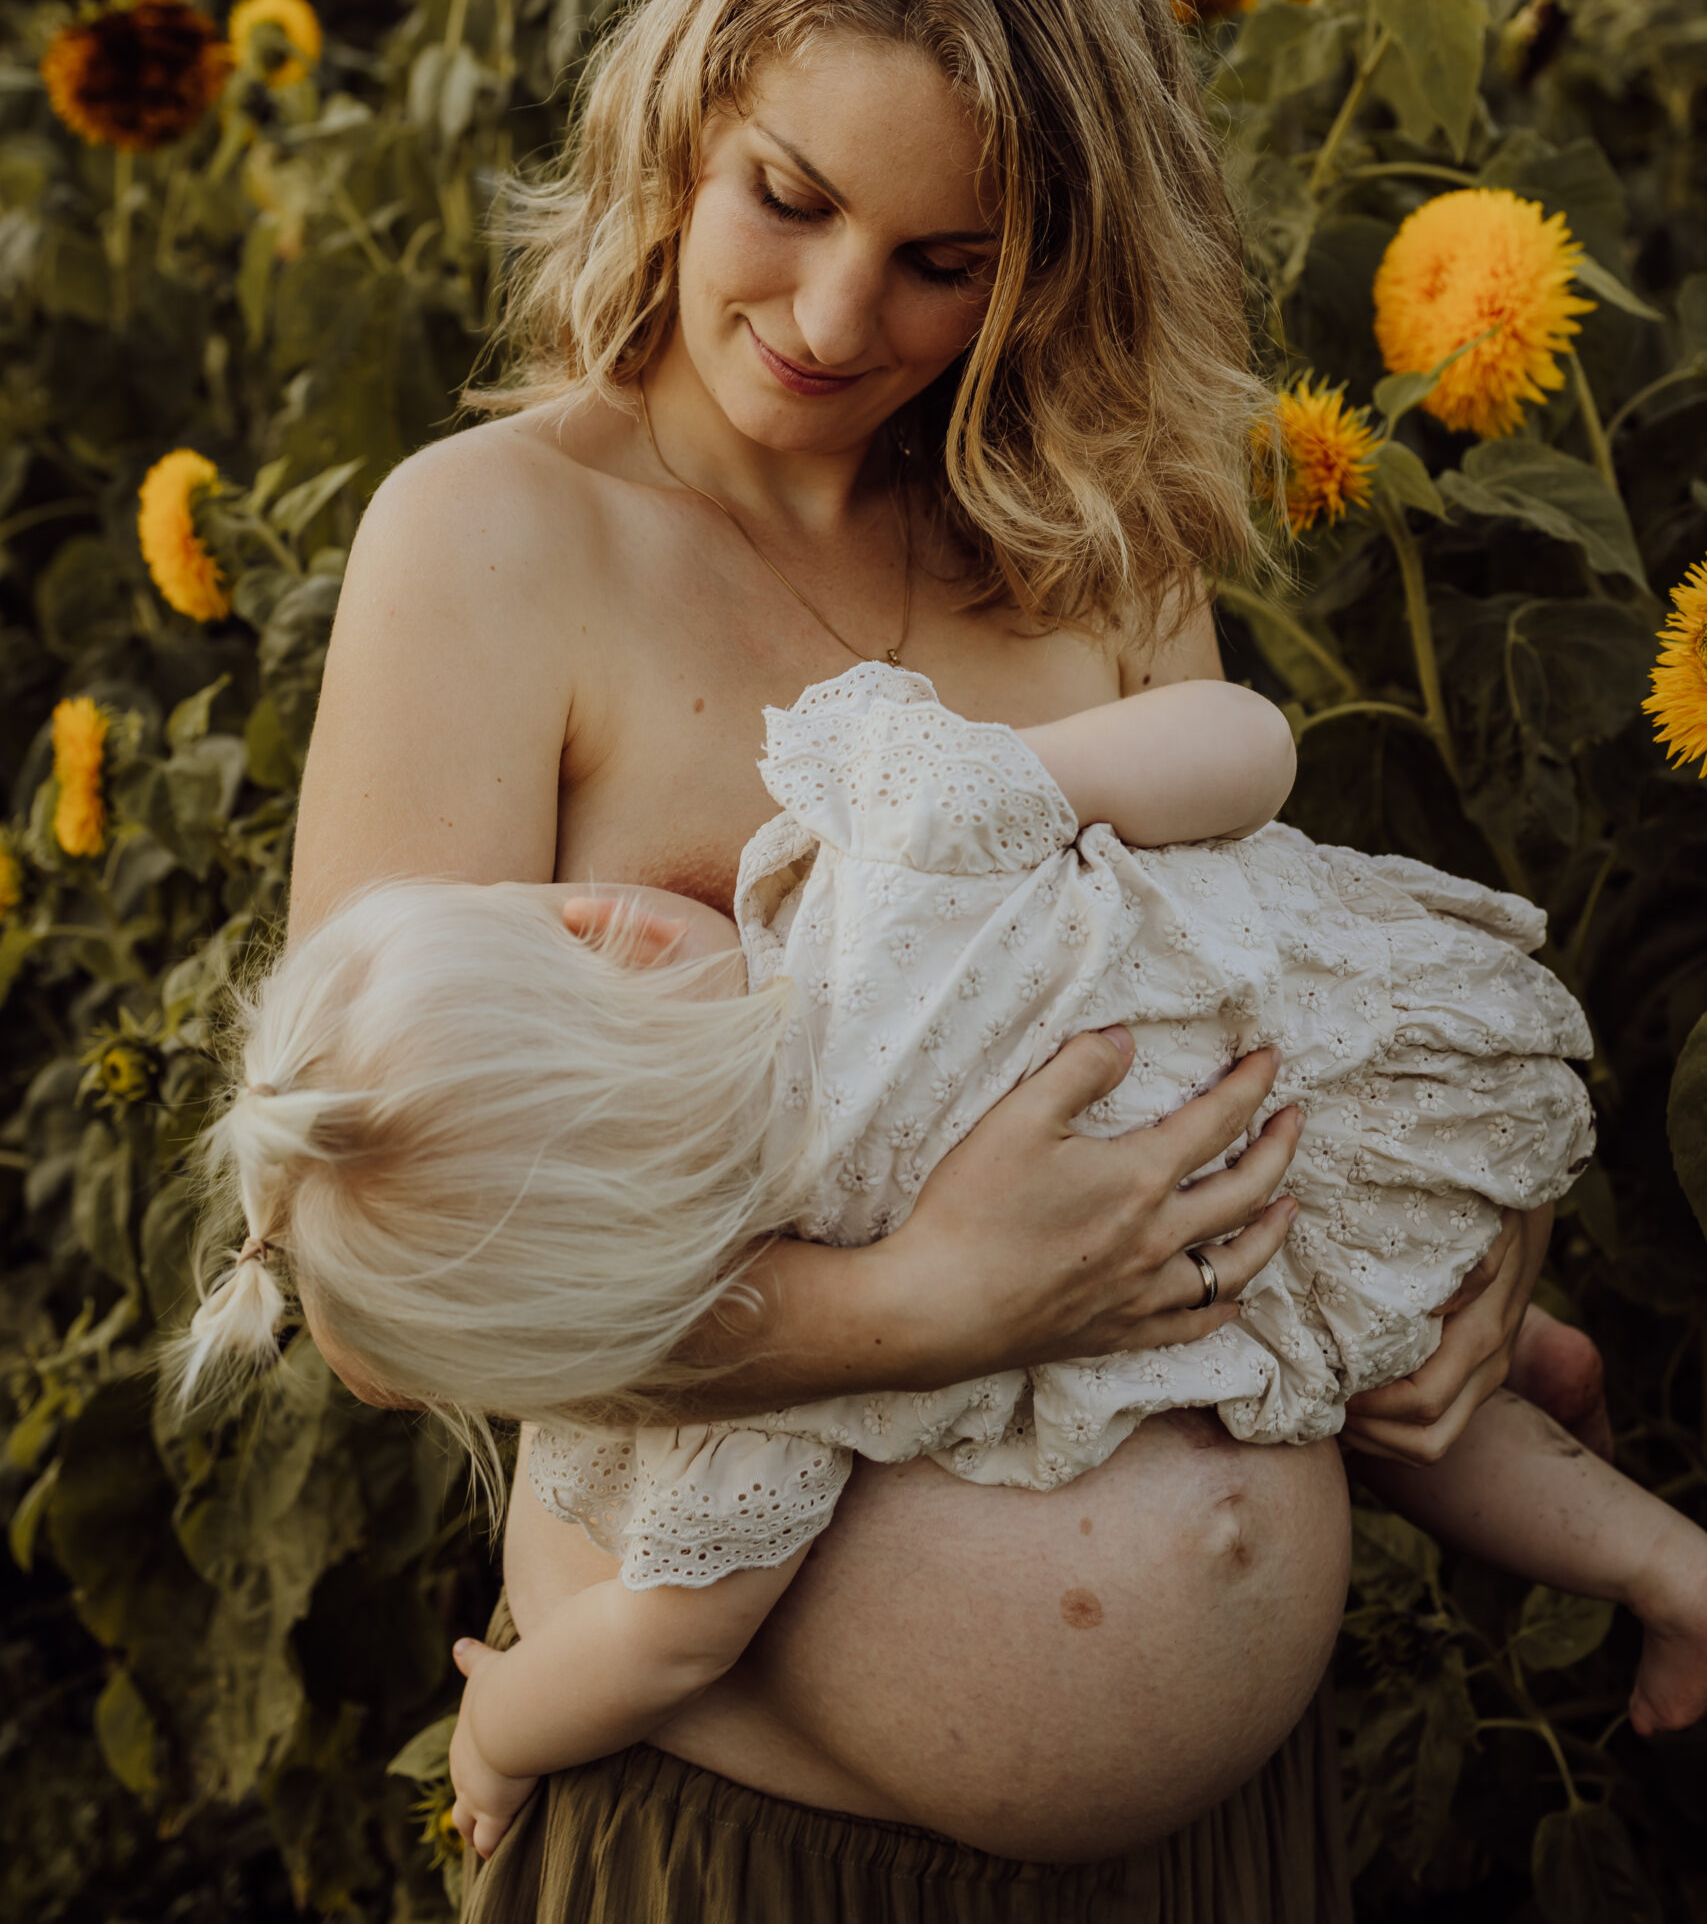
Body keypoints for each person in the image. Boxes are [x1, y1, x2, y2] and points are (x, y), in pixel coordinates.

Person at [277, 0, 1577, 1916]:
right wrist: (916, 1302)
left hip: (1216, 1836)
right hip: (760, 1837)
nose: (826, 310)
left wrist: (1469, 1247)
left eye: (940, 261)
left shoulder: (1091, 532)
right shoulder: (492, 543)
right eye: (784, 195)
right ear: (693, 110)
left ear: (1045, 264)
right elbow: (372, 1283)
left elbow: (1248, 979)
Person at [177, 655, 1707, 1866]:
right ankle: (1663, 1557)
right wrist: (1060, 772)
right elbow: (1250, 745)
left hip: (1308, 1227)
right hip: (1387, 1108)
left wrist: (502, 1726)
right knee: (1362, 1366)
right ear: (597, 926)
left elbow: (658, 1641)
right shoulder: (906, 845)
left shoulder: (764, 1363)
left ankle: (1662, 1564)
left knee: (1361, 1375)